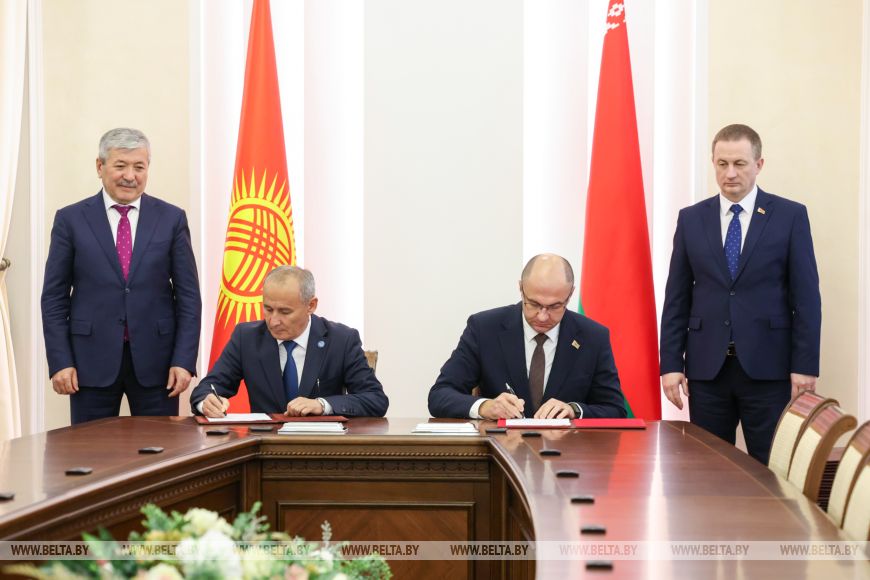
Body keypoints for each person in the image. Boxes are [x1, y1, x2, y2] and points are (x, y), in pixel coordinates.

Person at [659, 123, 821, 464]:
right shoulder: (691, 219)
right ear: (713, 163)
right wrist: (671, 364)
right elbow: (676, 298)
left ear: (759, 164)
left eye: (739, 163)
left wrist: (805, 366)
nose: (730, 173)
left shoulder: (789, 216)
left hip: (769, 369)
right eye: (722, 164)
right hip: (707, 370)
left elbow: (806, 299)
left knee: (770, 468)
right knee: (709, 469)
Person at [41, 128, 202, 424]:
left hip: (158, 363)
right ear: (100, 166)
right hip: (89, 363)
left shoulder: (171, 218)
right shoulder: (70, 219)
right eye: (120, 166)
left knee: (160, 449)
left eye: (139, 167)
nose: (130, 176)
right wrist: (60, 361)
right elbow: (54, 298)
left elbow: (189, 297)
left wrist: (184, 360)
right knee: (90, 450)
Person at [428, 254, 626, 420]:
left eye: (555, 306)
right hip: (501, 449)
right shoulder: (484, 328)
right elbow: (439, 395)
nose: (542, 316)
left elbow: (615, 410)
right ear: (521, 288)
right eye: (533, 304)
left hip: (566, 451)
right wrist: (485, 406)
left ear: (570, 294)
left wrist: (574, 410)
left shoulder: (593, 337)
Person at [190, 265, 388, 418]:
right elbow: (207, 389)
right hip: (264, 449)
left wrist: (322, 405)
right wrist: (206, 402)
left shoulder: (341, 340)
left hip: (322, 448)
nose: (273, 321)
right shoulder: (247, 338)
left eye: (285, 312)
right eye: (268, 309)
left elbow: (376, 400)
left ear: (311, 305)